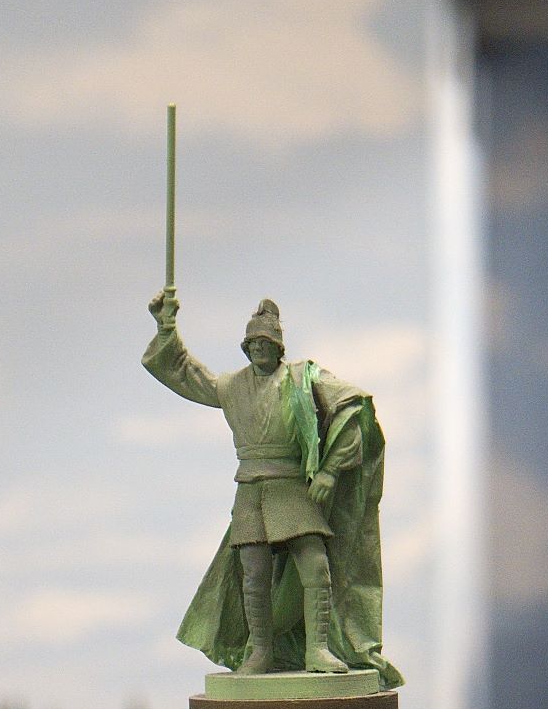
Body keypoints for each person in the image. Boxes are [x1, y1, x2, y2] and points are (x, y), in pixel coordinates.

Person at [143, 292, 401, 684]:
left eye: (266, 342)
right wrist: (166, 328)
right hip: (249, 488)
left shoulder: (301, 379)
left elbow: (352, 405)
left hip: (291, 486)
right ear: (246, 348)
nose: (260, 348)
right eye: (253, 343)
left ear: (279, 347)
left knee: (315, 564)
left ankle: (317, 648)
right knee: (254, 574)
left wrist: (330, 471)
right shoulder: (233, 386)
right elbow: (186, 373)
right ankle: (260, 651)